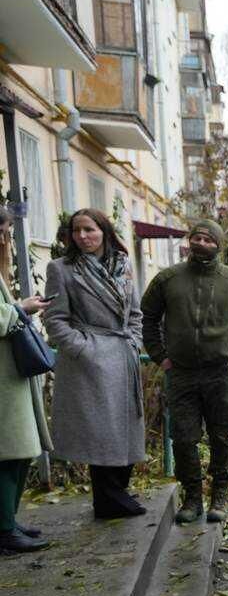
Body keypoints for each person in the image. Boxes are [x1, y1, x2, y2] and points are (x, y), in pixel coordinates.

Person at [140, 219, 228, 524]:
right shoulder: (168, 279)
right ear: (188, 242)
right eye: (196, 238)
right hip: (182, 374)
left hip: (222, 374)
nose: (201, 243)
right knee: (184, 438)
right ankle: (192, 497)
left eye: (208, 239)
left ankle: (220, 496)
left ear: (219, 245)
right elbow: (147, 318)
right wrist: (160, 356)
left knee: (223, 436)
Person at [42, 209, 147, 519]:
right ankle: (108, 497)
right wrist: (85, 349)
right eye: (77, 231)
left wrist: (134, 341)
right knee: (101, 430)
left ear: (104, 231)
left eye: (89, 229)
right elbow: (55, 319)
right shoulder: (61, 269)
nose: (82, 236)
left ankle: (116, 494)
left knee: (125, 427)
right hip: (91, 360)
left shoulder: (123, 265)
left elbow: (136, 313)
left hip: (123, 354)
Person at [0, 210, 52, 553]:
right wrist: (21, 309)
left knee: (20, 451)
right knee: (7, 451)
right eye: (2, 228)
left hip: (10, 373)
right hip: (3, 376)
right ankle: (4, 531)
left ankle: (9, 520)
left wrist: (18, 307)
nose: (5, 236)